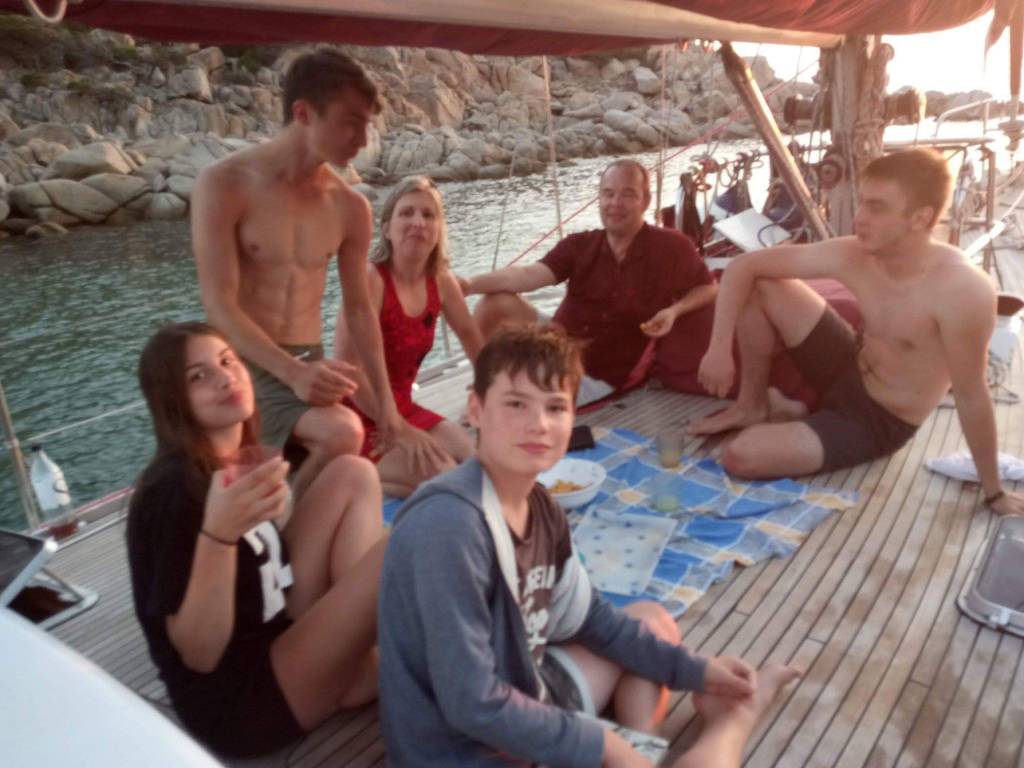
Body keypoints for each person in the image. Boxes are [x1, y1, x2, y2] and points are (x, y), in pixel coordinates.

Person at [377, 325, 801, 767]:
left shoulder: (540, 507)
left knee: (650, 619)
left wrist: (698, 671)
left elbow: (593, 621)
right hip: (465, 749)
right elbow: (472, 704)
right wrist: (604, 747)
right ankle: (733, 721)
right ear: (476, 410)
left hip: (527, 693)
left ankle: (646, 740)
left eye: (555, 407)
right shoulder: (449, 527)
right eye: (516, 403)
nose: (538, 423)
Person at [689, 147, 1024, 516]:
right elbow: (743, 267)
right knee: (763, 281)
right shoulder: (856, 254)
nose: (859, 218)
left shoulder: (962, 291)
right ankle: (753, 406)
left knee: (740, 456)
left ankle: (795, 412)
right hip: (847, 364)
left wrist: (994, 493)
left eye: (877, 208)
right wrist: (717, 348)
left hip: (878, 418)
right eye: (862, 203)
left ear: (920, 217)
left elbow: (972, 394)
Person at [127, 322, 385, 758]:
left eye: (227, 361)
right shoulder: (173, 495)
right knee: (400, 548)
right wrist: (219, 536)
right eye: (198, 376)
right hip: (244, 701)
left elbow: (264, 572)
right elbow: (200, 656)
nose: (225, 377)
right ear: (173, 401)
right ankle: (359, 667)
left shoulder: (228, 461)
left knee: (352, 472)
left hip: (273, 626)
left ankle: (358, 655)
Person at [192, 47, 428, 497]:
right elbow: (218, 305)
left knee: (368, 447)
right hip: (242, 359)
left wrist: (390, 410)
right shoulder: (224, 184)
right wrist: (294, 374)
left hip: (308, 357)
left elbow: (360, 312)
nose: (363, 137)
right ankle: (282, 532)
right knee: (342, 434)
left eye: (367, 123)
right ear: (303, 112)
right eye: (350, 121)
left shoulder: (349, 206)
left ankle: (288, 522)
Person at [458, 159, 718, 402]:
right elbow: (527, 275)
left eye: (627, 194)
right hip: (557, 343)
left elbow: (707, 287)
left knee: (524, 395)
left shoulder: (671, 247)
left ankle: (508, 392)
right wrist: (468, 285)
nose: (615, 203)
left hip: (597, 372)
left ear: (646, 200)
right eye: (608, 193)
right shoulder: (579, 245)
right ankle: (484, 383)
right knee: (495, 303)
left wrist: (674, 311)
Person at [334, 176, 483, 497]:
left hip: (403, 406)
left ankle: (382, 478)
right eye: (407, 213)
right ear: (387, 228)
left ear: (439, 229)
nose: (418, 222)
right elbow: (348, 372)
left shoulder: (440, 281)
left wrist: (496, 396)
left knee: (476, 461)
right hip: (359, 416)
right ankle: (351, 475)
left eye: (428, 215)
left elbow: (472, 338)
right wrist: (400, 431)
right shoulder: (370, 281)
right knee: (447, 477)